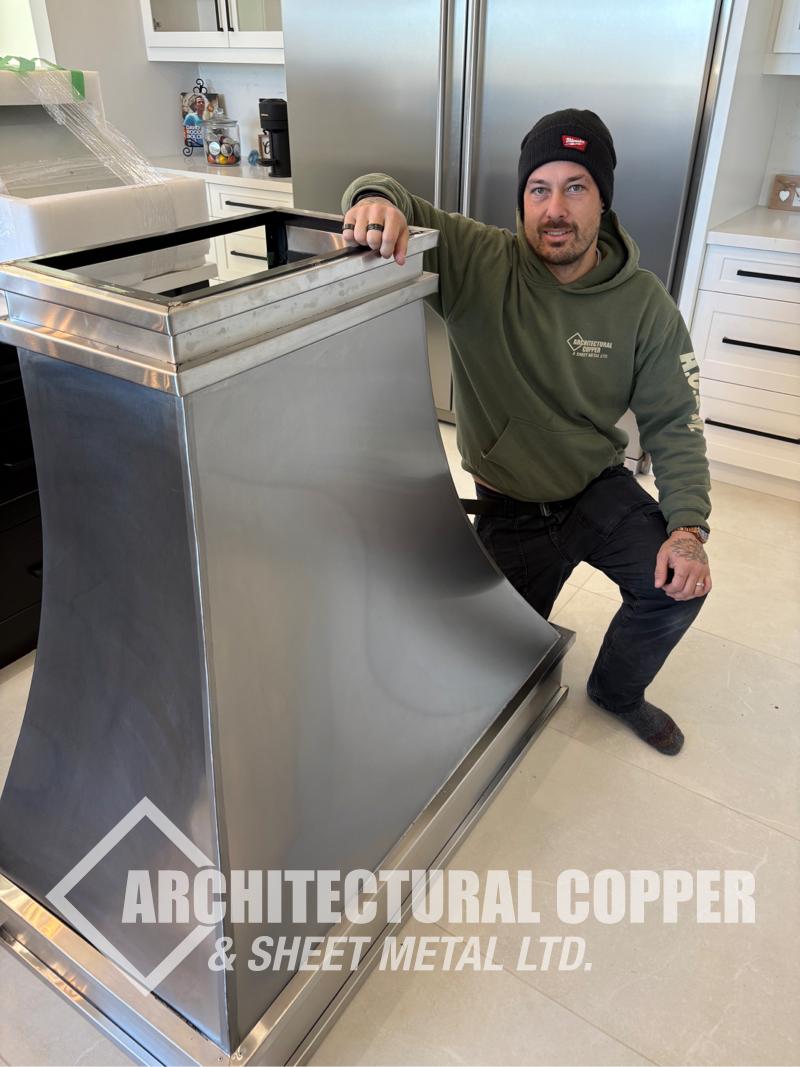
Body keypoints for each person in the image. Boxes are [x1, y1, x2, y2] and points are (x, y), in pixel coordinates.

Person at [340, 108, 712, 757]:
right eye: (539, 189)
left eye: (576, 187)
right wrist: (374, 202)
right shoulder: (478, 261)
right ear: (523, 200)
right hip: (508, 507)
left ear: (603, 200)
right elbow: (391, 196)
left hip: (595, 488)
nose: (555, 209)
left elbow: (674, 420)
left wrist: (687, 528)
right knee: (479, 674)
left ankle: (617, 691)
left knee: (674, 587)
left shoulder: (644, 304)